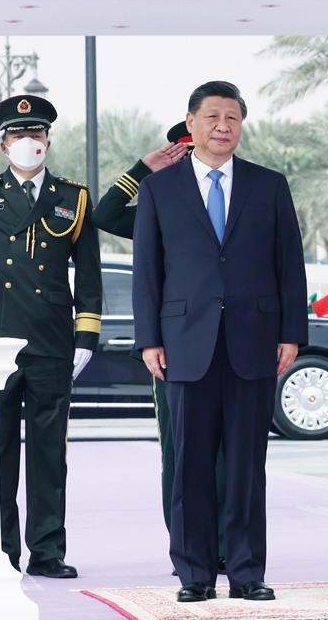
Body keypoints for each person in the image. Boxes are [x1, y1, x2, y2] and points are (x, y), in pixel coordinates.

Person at [132, 80, 307, 603]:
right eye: (212, 117)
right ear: (191, 124)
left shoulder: (269, 185)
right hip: (184, 344)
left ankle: (248, 572)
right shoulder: (159, 189)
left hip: (255, 342)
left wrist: (291, 334)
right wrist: (149, 339)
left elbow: (289, 264)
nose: (222, 127)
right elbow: (148, 271)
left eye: (232, 118)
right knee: (189, 464)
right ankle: (195, 574)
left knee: (247, 466)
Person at [0, 94, 102, 579]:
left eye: (36, 133)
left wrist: (85, 337)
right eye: (18, 134)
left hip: (50, 338)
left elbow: (88, 275)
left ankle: (47, 552)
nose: (29, 141)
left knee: (49, 453)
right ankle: (3, 551)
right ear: (3, 144)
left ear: (48, 139)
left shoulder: (74, 198)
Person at [92, 122, 228, 573]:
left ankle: (226, 543)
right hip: (175, 347)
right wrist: (141, 170)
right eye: (180, 154)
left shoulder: (235, 197)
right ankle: (188, 545)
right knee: (180, 449)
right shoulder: (160, 204)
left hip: (230, 340)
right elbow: (105, 215)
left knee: (230, 450)